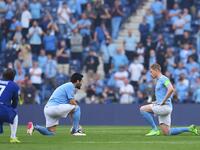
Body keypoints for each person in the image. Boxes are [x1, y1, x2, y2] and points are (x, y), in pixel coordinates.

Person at [139, 63, 199, 136]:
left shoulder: (164, 79)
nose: (150, 74)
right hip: (165, 107)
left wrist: (163, 102)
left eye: (151, 71)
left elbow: (171, 89)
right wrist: (157, 102)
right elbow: (163, 94)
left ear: (156, 70)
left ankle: (154, 129)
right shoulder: (159, 81)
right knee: (167, 132)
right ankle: (189, 128)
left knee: (142, 109)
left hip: (165, 107)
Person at [0, 68, 20, 143]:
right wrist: (12, 108)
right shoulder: (14, 85)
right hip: (2, 108)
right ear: (13, 77)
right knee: (15, 115)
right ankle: (13, 137)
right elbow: (15, 101)